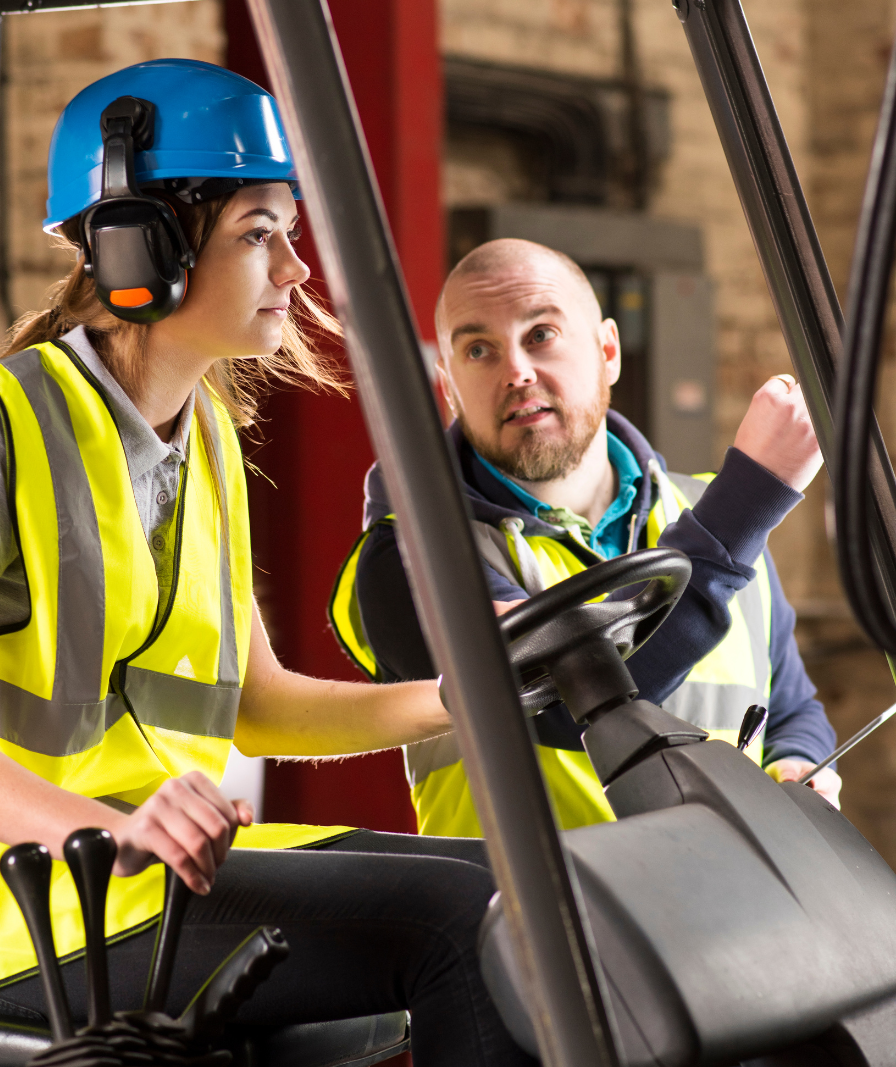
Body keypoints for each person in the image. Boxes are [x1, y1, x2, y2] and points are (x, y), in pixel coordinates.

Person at [0, 60, 538, 1067]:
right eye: (261, 234)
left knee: (527, 881)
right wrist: (113, 827)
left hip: (159, 875)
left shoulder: (204, 438)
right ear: (143, 252)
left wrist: (467, 690)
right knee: (459, 925)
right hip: (26, 902)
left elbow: (259, 705)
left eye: (290, 235)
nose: (296, 271)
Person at [330, 238, 841, 841]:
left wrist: (800, 766)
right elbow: (580, 708)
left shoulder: (704, 510)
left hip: (731, 912)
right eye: (478, 349)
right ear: (450, 388)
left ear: (607, 351)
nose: (516, 371)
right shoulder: (410, 556)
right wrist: (751, 499)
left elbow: (791, 707)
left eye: (541, 334)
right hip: (535, 926)